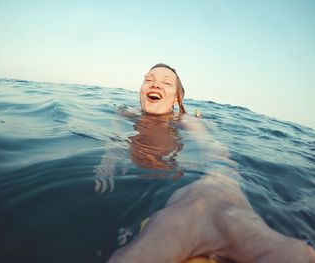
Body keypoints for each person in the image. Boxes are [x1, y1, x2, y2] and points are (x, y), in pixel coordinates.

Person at [107, 64, 315, 262]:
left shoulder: (185, 122)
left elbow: (214, 149)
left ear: (177, 99)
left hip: (173, 179)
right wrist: (108, 162)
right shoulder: (126, 113)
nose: (155, 85)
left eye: (167, 83)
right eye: (148, 80)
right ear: (141, 89)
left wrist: (221, 188)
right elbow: (115, 141)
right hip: (136, 175)